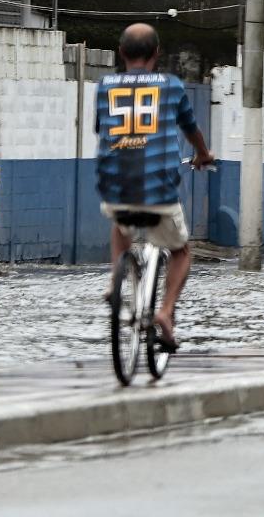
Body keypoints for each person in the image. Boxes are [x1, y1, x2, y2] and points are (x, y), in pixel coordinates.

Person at [96, 23, 215, 351]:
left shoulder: (105, 86)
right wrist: (203, 155)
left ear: (121, 53)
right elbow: (191, 130)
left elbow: (101, 128)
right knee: (181, 251)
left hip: (116, 186)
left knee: (120, 224)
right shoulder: (172, 86)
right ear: (157, 54)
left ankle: (114, 281)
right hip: (160, 190)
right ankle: (164, 312)